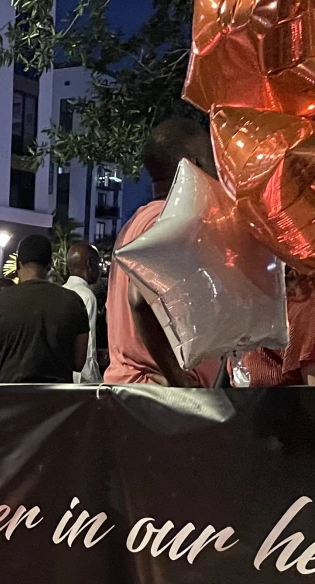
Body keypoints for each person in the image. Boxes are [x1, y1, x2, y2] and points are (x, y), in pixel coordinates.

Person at [105, 117, 220, 386]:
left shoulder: (138, 222)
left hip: (133, 391)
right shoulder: (175, 221)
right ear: (195, 163)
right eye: (212, 159)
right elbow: (139, 299)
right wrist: (179, 382)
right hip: (162, 399)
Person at [0, 235, 90, 384]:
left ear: (18, 263)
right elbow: (78, 362)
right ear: (49, 265)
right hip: (59, 401)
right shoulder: (74, 302)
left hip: (9, 398)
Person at [63, 242, 103, 383]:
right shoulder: (87, 296)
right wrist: (97, 383)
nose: (100, 271)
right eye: (98, 265)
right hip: (80, 382)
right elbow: (88, 352)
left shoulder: (62, 292)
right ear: (89, 263)